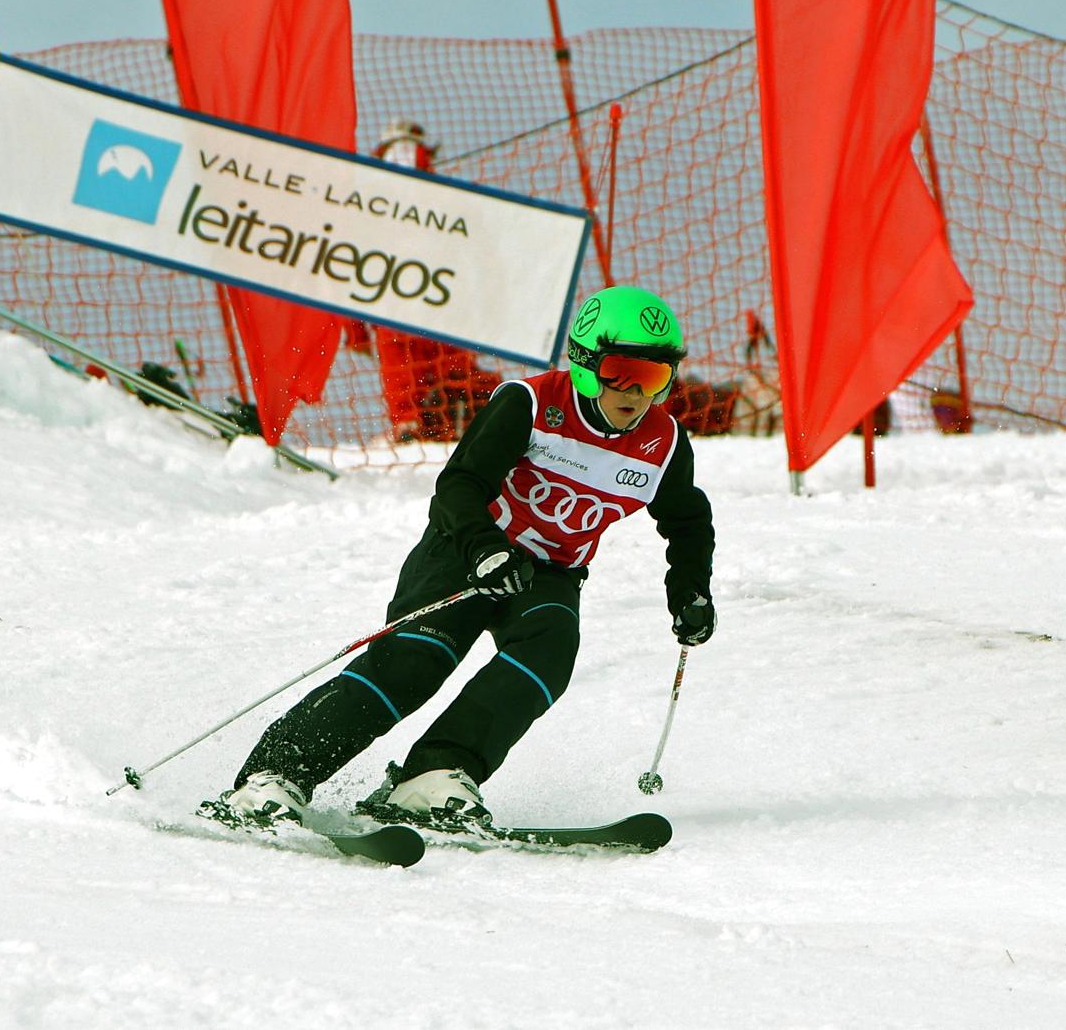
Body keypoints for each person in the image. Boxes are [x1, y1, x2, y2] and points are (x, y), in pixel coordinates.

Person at [212, 286, 718, 828]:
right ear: (587, 362)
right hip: (463, 551)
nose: (637, 393)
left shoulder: (661, 443)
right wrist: (485, 550)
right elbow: (459, 485)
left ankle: (433, 775)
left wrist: (690, 590)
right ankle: (274, 777)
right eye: (623, 371)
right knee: (413, 664)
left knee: (547, 656)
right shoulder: (528, 404)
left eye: (656, 377)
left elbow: (687, 522)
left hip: (547, 574)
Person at [344, 119, 499, 442]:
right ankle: (461, 421)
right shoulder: (447, 198)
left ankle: (409, 424)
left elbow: (352, 266)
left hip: (390, 307)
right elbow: (480, 253)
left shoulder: (367, 205)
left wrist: (355, 331)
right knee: (454, 375)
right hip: (443, 303)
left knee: (403, 380)